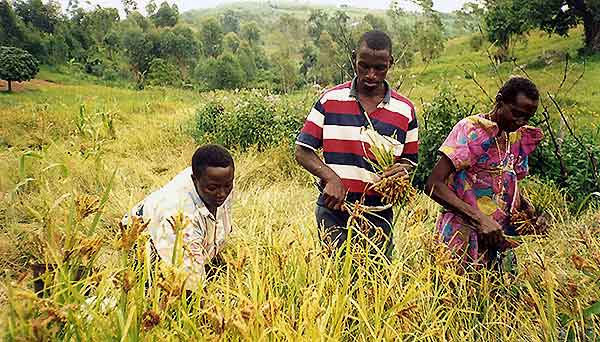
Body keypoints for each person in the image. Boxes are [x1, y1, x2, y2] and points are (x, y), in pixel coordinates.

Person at [295, 30, 419, 259]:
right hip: (334, 208)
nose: (371, 75)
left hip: (378, 212)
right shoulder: (330, 100)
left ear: (390, 63)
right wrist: (331, 178)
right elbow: (303, 150)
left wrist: (401, 172)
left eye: (380, 68)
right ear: (354, 58)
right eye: (364, 66)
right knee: (335, 278)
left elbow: (410, 161)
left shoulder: (405, 110)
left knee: (375, 281)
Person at [425, 76, 544, 270]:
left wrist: (527, 209)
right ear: (499, 101)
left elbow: (506, 181)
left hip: (497, 238)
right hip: (462, 235)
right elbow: (433, 185)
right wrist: (479, 219)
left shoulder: (515, 137)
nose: (520, 121)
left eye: (527, 118)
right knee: (459, 295)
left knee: (499, 296)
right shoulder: (471, 130)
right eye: (516, 113)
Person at [121, 144, 234, 290]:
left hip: (176, 229)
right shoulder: (179, 216)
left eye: (227, 186)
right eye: (213, 188)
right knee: (159, 291)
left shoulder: (219, 178)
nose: (222, 194)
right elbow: (191, 283)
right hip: (139, 236)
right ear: (195, 180)